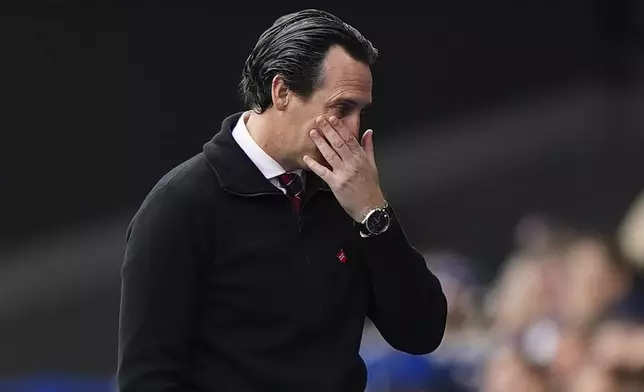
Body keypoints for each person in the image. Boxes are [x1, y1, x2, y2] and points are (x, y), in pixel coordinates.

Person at [117, 9, 447, 392]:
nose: (354, 128)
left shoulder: (347, 195)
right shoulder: (179, 205)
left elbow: (421, 333)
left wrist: (374, 214)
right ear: (282, 92)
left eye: (361, 111)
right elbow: (147, 378)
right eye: (342, 108)